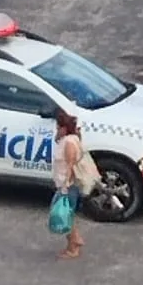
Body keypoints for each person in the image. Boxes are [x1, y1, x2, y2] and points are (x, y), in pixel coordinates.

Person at [52, 108, 85, 260]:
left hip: (67, 185)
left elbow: (70, 165)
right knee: (67, 214)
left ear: (63, 128)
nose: (57, 130)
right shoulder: (72, 139)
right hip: (65, 184)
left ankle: (73, 246)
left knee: (63, 214)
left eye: (58, 127)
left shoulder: (69, 143)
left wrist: (65, 185)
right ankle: (75, 241)